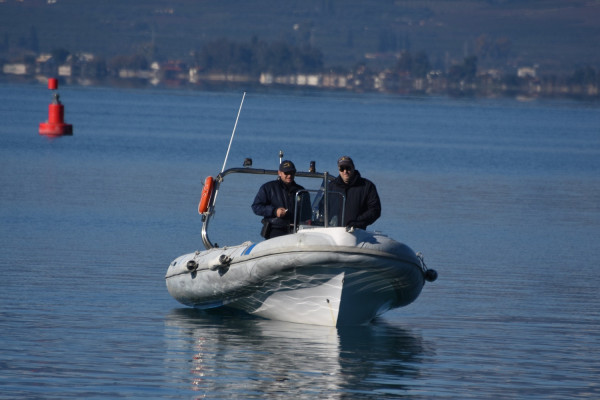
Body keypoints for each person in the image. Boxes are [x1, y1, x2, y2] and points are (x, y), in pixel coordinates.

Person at [252, 160, 305, 239]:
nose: (289, 176)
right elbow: (256, 207)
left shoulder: (301, 191)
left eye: (292, 173)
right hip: (275, 229)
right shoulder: (268, 188)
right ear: (279, 173)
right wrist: (274, 211)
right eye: (286, 173)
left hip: (296, 230)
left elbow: (306, 212)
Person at [329, 156, 381, 230]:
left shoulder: (367, 186)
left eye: (348, 168)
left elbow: (375, 210)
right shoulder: (331, 187)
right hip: (333, 232)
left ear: (353, 168)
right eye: (342, 168)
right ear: (338, 170)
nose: (345, 171)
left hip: (356, 233)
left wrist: (357, 222)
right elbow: (322, 208)